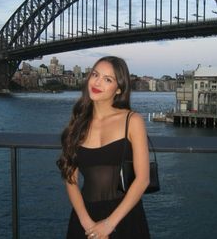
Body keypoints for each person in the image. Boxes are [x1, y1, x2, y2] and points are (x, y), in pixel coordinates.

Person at [57, 56, 150, 239]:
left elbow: (143, 180)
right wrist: (88, 225)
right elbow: (70, 179)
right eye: (95, 74)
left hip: (124, 217)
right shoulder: (78, 123)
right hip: (84, 217)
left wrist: (108, 225)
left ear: (119, 89)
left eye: (108, 79)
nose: (97, 82)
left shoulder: (132, 121)